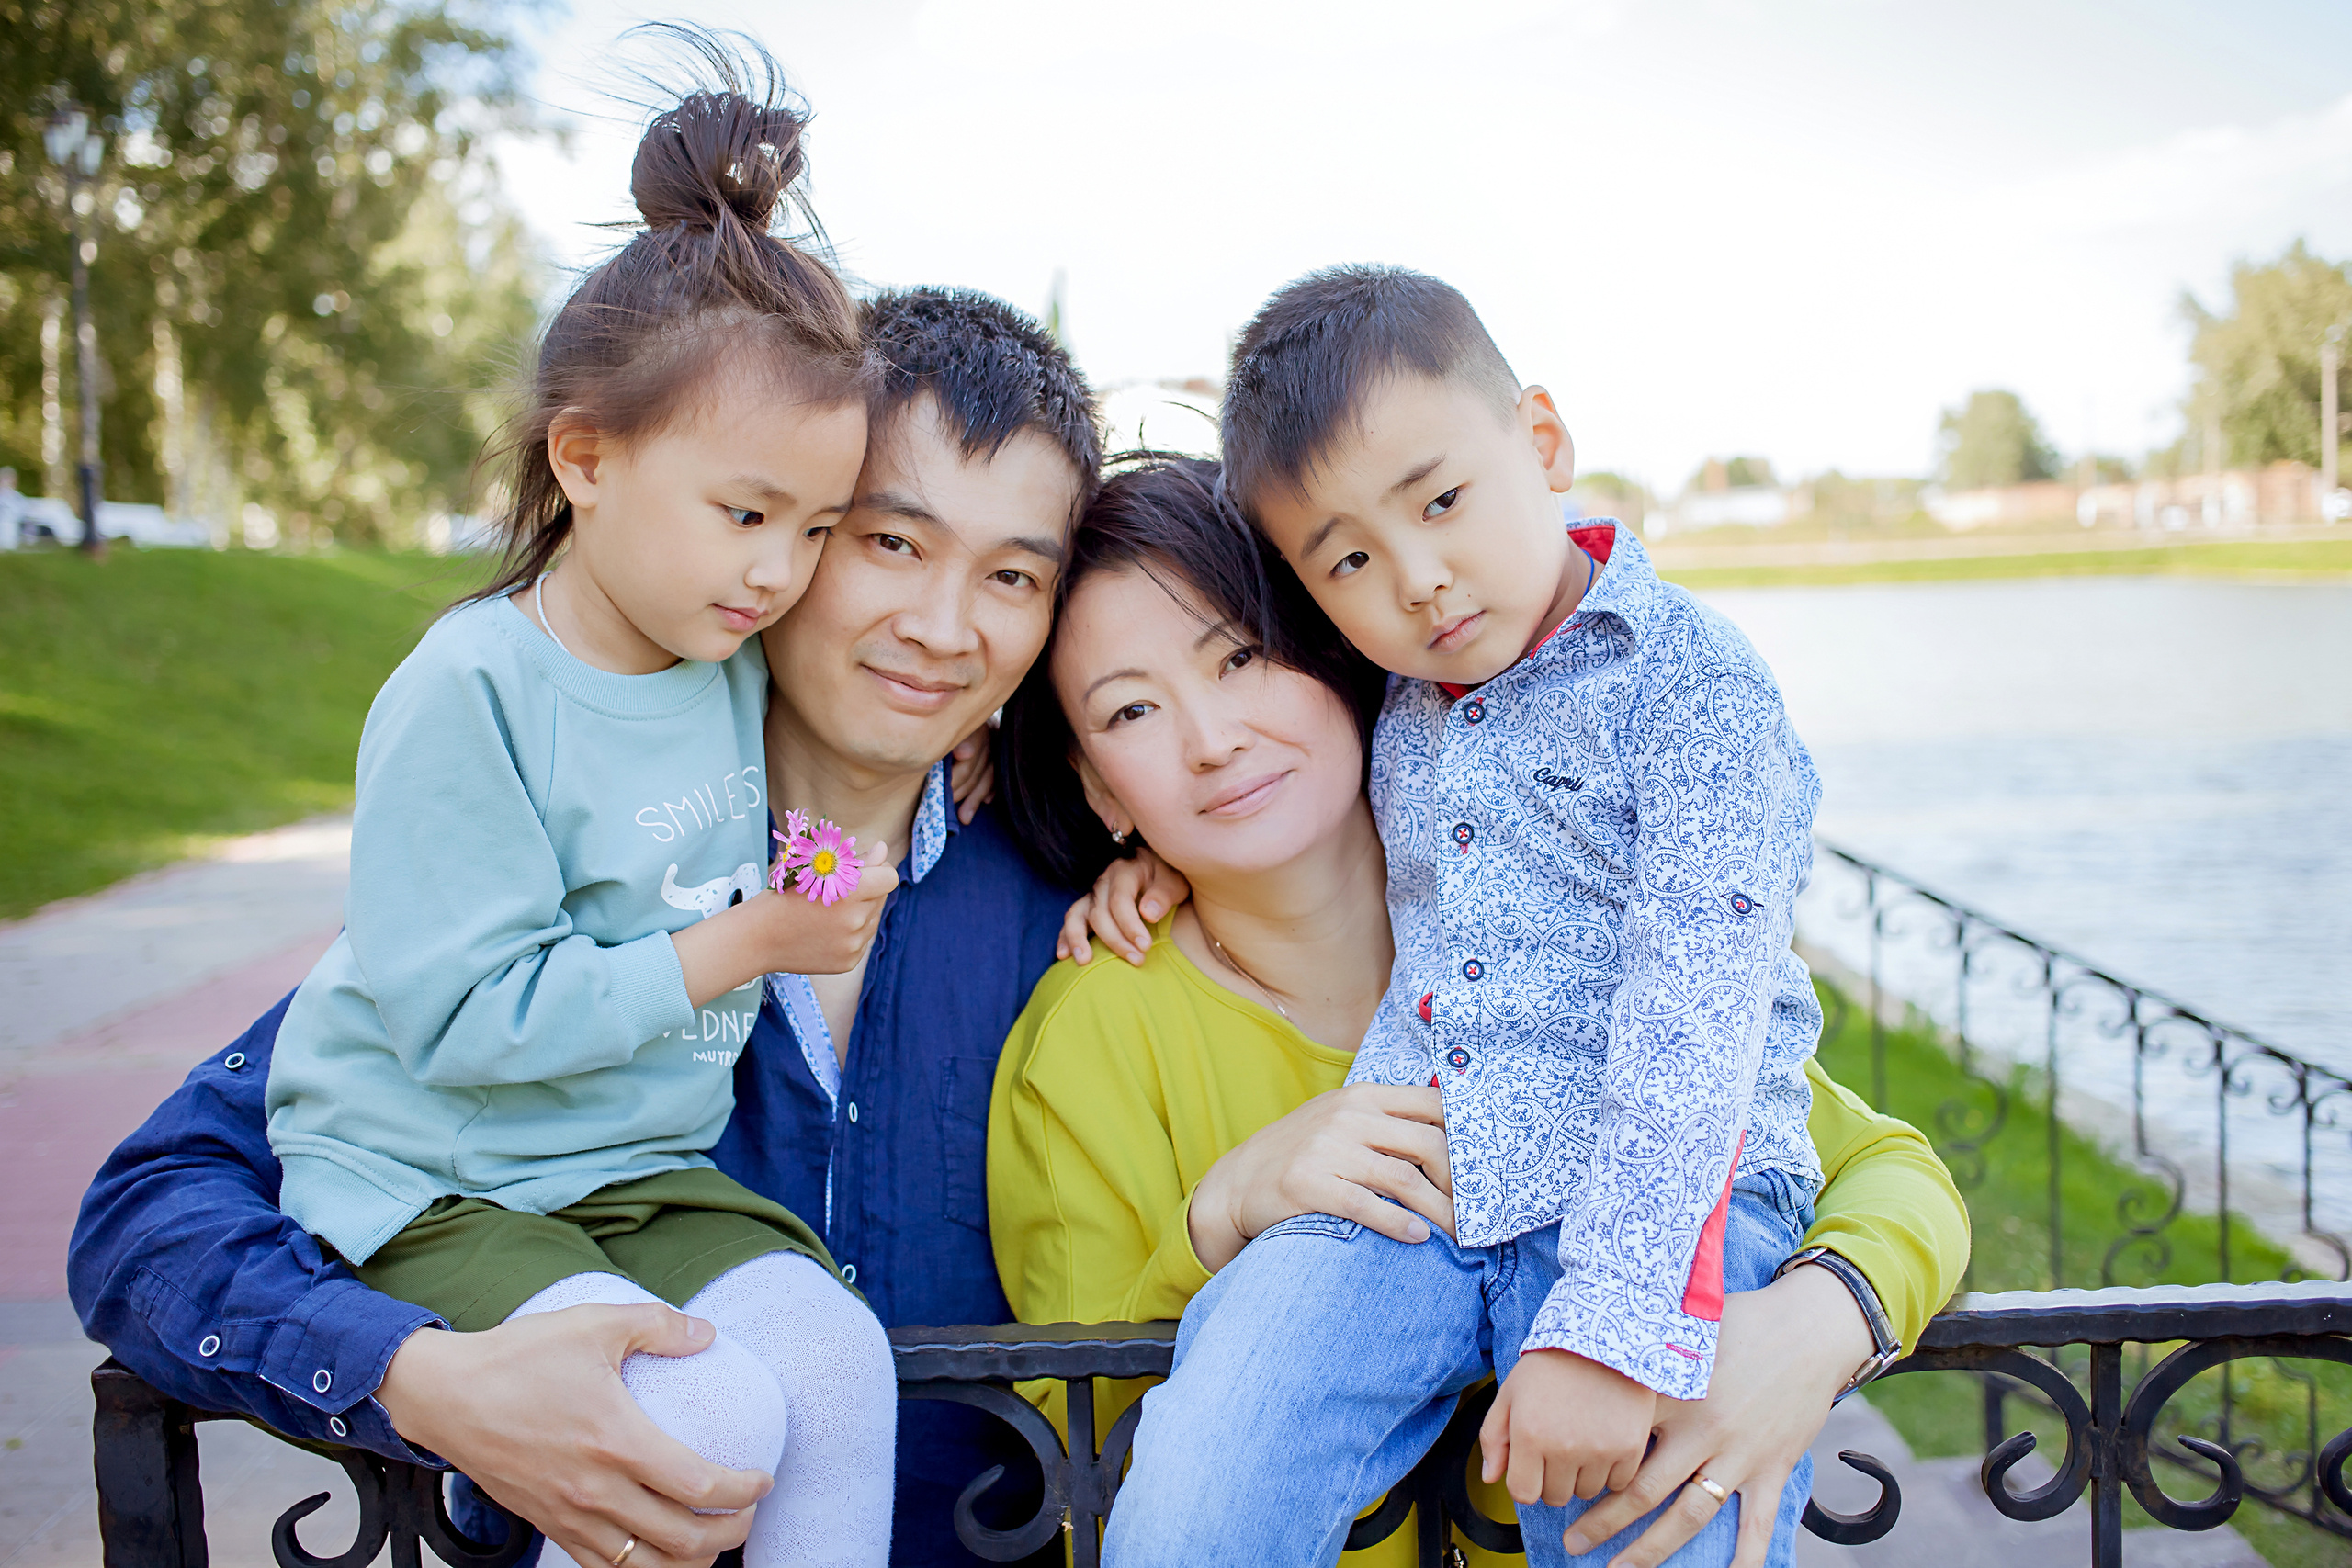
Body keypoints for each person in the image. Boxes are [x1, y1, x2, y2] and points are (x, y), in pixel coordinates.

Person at [71, 280, 1099, 1568]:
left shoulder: (1078, 895)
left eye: (1011, 574)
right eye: (886, 542)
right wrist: (414, 1371)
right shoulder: (564, 846)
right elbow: (153, 1209)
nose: (943, 628)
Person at [995, 459, 1967, 1568]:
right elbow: (1066, 1439)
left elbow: (1880, 1165)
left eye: (1242, 657)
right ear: (1099, 786)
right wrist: (1220, 1219)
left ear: (1339, 645)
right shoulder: (1090, 1039)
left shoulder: (1549, 927)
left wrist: (1814, 1327)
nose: (1210, 738)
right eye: (1131, 710)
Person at [259, 50, 904, 1568]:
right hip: (440, 1167)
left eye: (813, 527)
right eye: (746, 513)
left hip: (634, 1172)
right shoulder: (472, 686)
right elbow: (463, 1022)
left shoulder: (723, 657)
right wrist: (743, 941)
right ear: (586, 455)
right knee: (701, 1417)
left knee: (832, 1367)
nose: (779, 570)